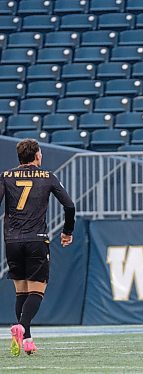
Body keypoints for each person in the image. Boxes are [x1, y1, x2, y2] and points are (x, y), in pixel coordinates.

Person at [0, 139, 75, 356]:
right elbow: (69, 205)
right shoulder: (47, 176)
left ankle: (27, 340)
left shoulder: (6, 176)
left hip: (12, 240)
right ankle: (22, 327)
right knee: (37, 290)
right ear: (37, 155)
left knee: (21, 291)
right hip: (36, 239)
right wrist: (67, 231)